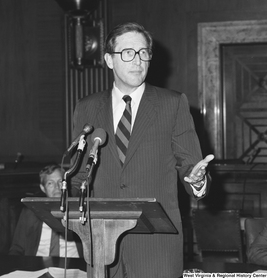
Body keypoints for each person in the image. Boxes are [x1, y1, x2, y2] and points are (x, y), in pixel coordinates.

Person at [70, 22, 214, 278]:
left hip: (155, 245)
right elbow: (80, 174)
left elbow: (190, 166)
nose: (138, 60)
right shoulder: (86, 108)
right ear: (109, 60)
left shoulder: (172, 104)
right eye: (128, 52)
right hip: (102, 244)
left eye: (143, 52)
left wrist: (197, 180)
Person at [9, 164, 82, 258]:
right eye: (50, 183)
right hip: (38, 266)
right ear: (43, 188)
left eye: (60, 182)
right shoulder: (30, 212)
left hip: (74, 267)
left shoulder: (79, 211)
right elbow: (17, 249)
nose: (57, 187)